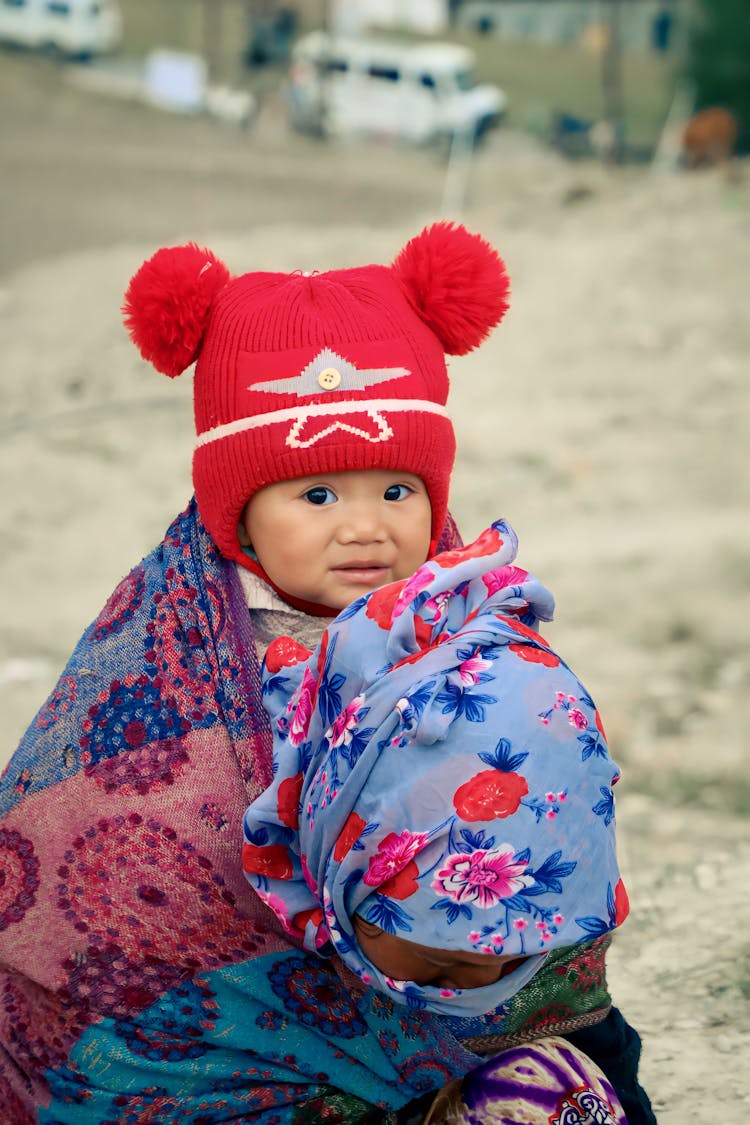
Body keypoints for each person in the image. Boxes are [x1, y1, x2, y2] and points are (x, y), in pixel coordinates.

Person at [0, 223, 653, 1122]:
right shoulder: (163, 663)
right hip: (230, 1050)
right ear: (238, 509)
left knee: (575, 1086)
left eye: (397, 488)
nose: (364, 526)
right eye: (316, 495)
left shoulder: (467, 622)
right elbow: (89, 844)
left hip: (445, 985)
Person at [241, 523, 637, 1123]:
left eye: (518, 953)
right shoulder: (236, 1017)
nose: (484, 981)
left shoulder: (561, 986)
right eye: (441, 963)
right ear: (341, 864)